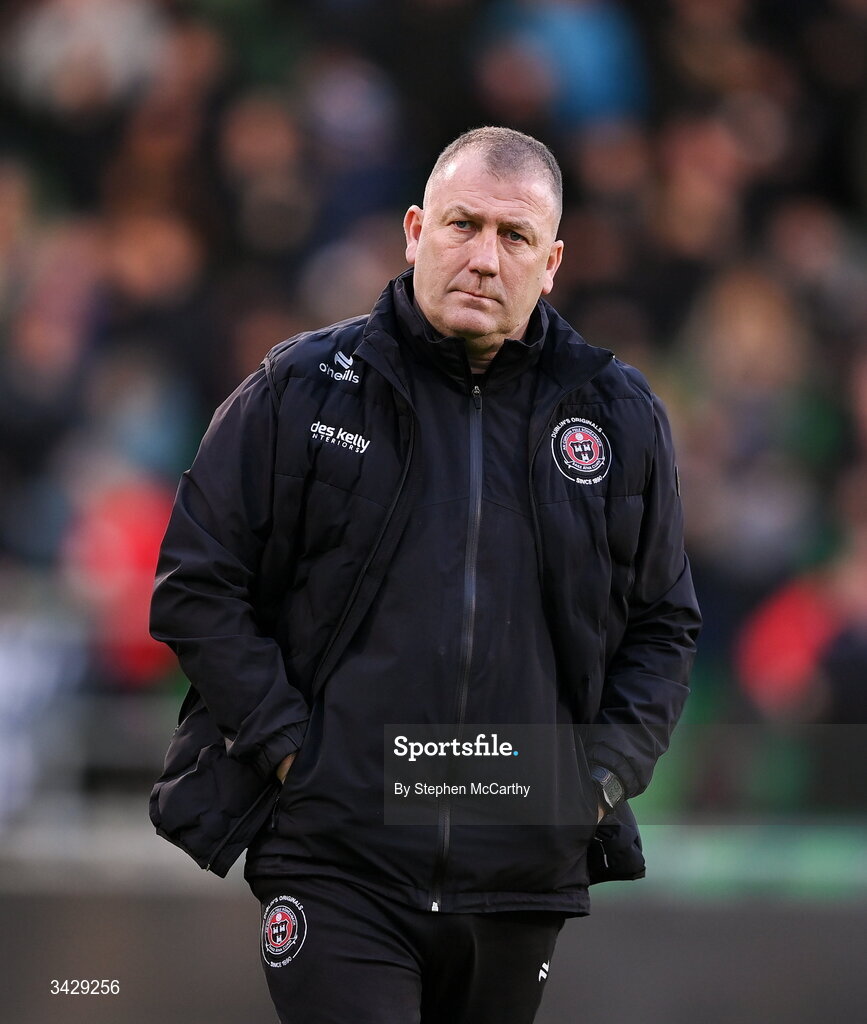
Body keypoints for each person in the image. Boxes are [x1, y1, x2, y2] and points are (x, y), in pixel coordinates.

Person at [149, 126, 701, 1024]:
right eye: (461, 225)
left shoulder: (619, 415)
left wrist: (593, 779)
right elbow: (196, 586)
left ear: (552, 260)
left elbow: (664, 625)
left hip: (519, 870)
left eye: (513, 237)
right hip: (336, 859)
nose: (483, 258)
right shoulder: (299, 390)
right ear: (413, 232)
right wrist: (293, 748)